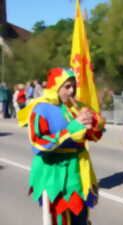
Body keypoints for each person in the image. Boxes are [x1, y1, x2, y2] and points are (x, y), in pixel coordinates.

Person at [17, 68, 105, 225]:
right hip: (54, 174)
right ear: (55, 86)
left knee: (81, 218)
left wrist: (95, 123)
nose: (71, 91)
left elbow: (92, 135)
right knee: (60, 220)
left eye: (74, 86)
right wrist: (71, 129)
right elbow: (38, 143)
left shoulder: (76, 107)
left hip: (78, 172)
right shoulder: (41, 108)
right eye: (67, 87)